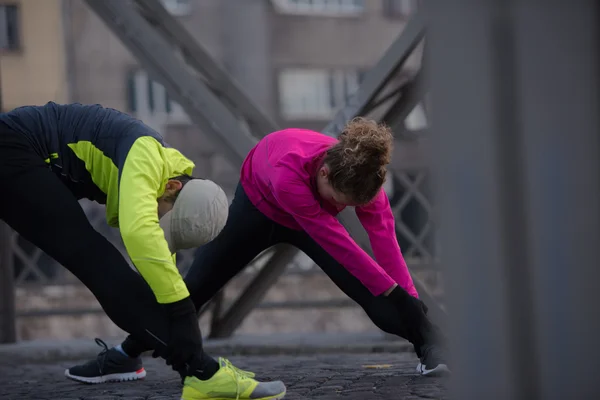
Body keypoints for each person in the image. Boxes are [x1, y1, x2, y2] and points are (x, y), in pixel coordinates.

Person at [67, 117, 450, 387]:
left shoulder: (365, 179)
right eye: (341, 202)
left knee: (379, 300)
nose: (347, 208)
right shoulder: (290, 175)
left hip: (305, 213)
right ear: (325, 174)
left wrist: (410, 302)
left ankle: (432, 345)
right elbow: (345, 248)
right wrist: (395, 293)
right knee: (196, 285)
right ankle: (124, 355)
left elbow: (387, 245)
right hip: (259, 206)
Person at [0, 102, 287, 400]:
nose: (159, 228)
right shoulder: (145, 157)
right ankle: (202, 372)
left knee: (108, 262)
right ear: (174, 186)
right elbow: (139, 232)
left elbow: (159, 270)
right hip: (13, 148)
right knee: (96, 259)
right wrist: (182, 311)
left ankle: (131, 359)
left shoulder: (166, 175)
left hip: (27, 156)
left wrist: (139, 340)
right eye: (164, 221)